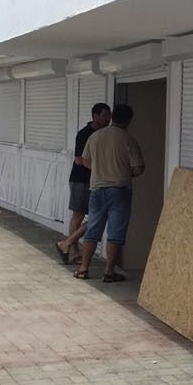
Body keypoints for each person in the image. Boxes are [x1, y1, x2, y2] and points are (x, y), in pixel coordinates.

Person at [75, 103, 145, 283]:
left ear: (112, 116)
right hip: (119, 190)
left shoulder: (95, 136)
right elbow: (138, 168)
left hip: (97, 189)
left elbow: (84, 161)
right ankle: (108, 272)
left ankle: (83, 269)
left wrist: (100, 170)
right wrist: (122, 172)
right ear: (129, 120)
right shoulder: (128, 139)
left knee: (93, 229)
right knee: (116, 232)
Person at [55, 102, 111, 264]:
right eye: (104, 116)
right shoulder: (84, 134)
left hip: (99, 181)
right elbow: (79, 159)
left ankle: (66, 243)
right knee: (79, 215)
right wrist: (100, 169)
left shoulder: (107, 134)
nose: (108, 119)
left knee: (97, 215)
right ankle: (73, 252)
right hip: (81, 180)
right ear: (95, 116)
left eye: (109, 116)